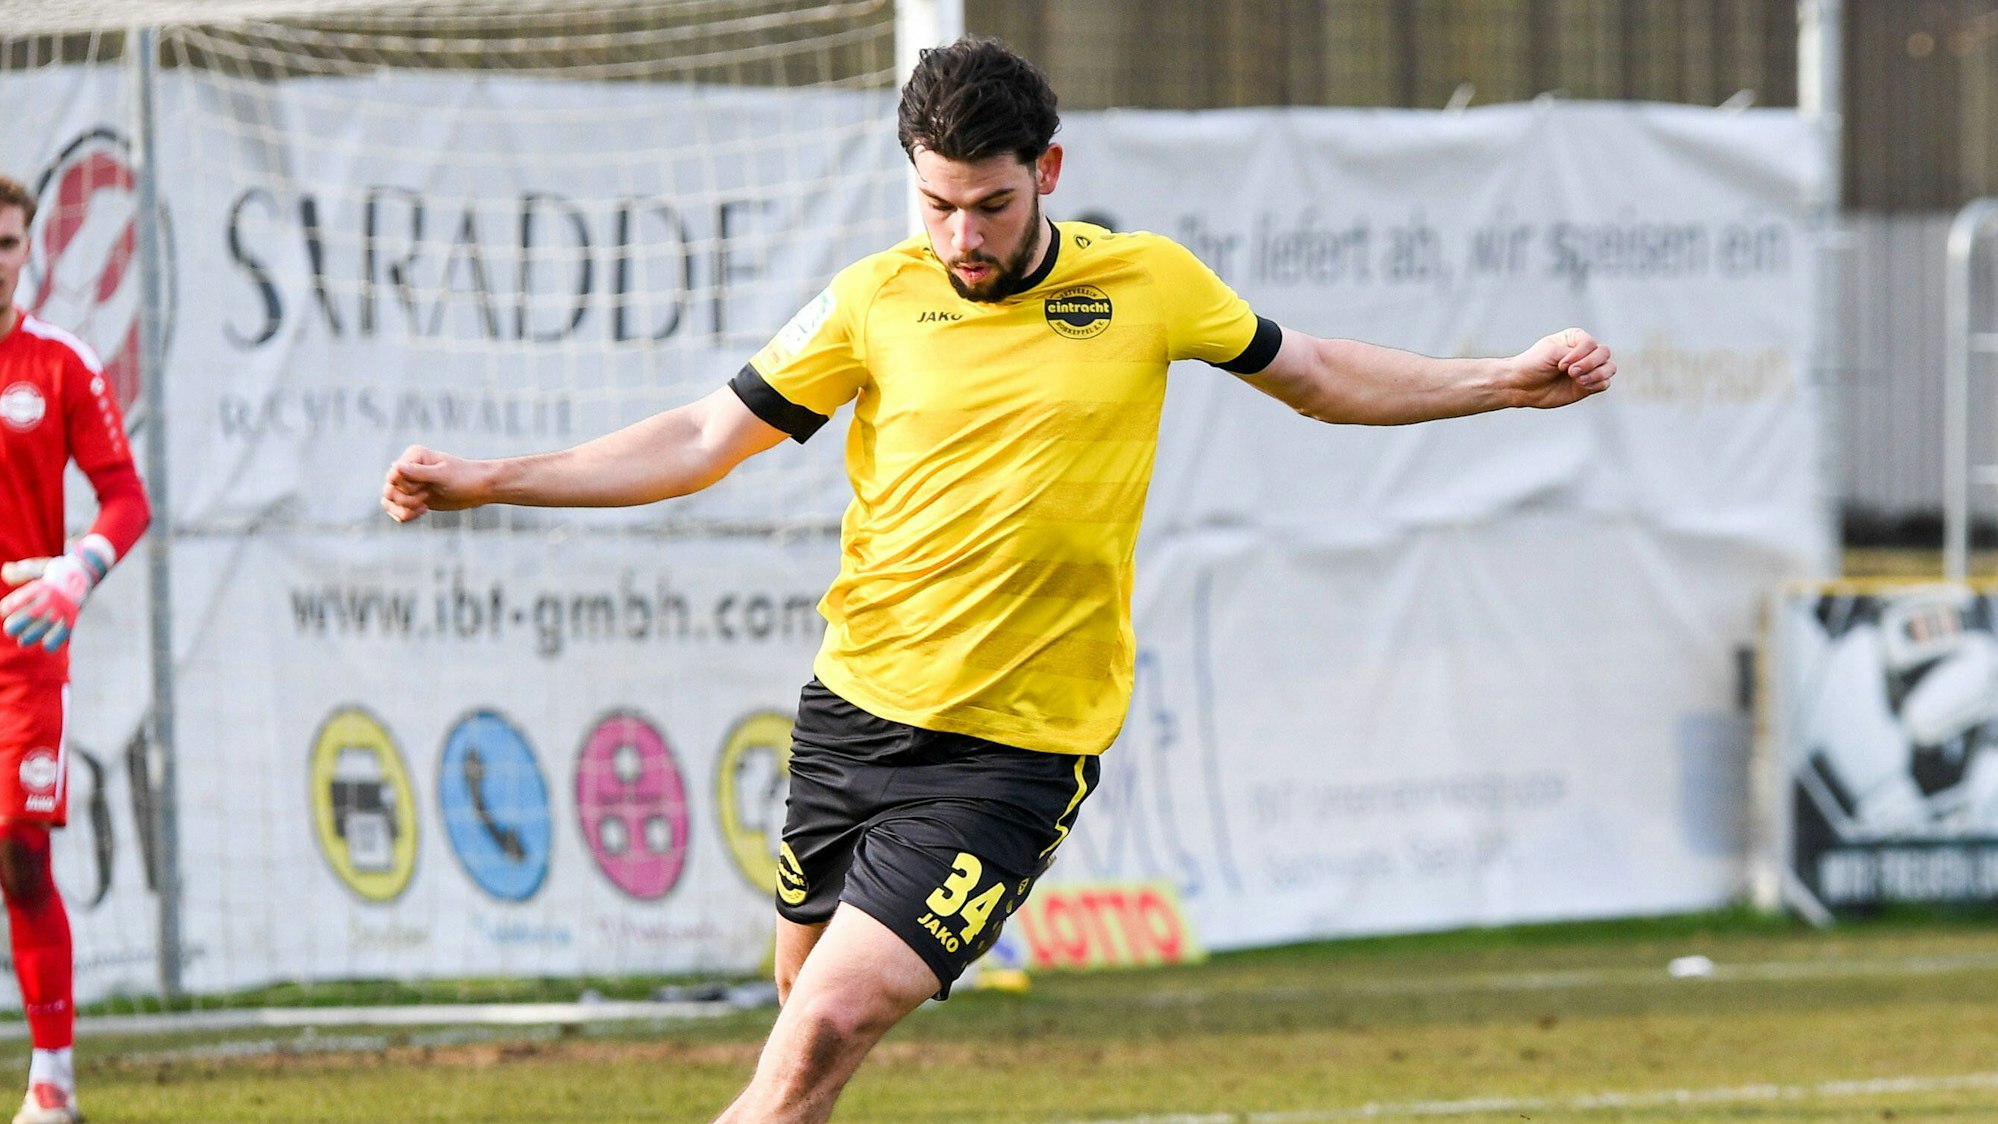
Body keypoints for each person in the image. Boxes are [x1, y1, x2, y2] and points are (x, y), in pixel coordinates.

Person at [381, 37, 1615, 1124]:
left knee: (819, 1033)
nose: (961, 237)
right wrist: (495, 477)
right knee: (798, 1052)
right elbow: (706, 438)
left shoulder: (1148, 284)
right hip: (851, 716)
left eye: (988, 203)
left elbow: (1322, 375)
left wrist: (1504, 379)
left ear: (1050, 174)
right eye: (936, 205)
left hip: (1012, 751)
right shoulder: (874, 300)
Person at [0, 174, 152, 1124]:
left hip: (22, 651)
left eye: (5, 241)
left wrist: (75, 572)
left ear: (27, 250)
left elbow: (126, 497)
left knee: (18, 848)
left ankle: (52, 1082)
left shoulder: (57, 364)